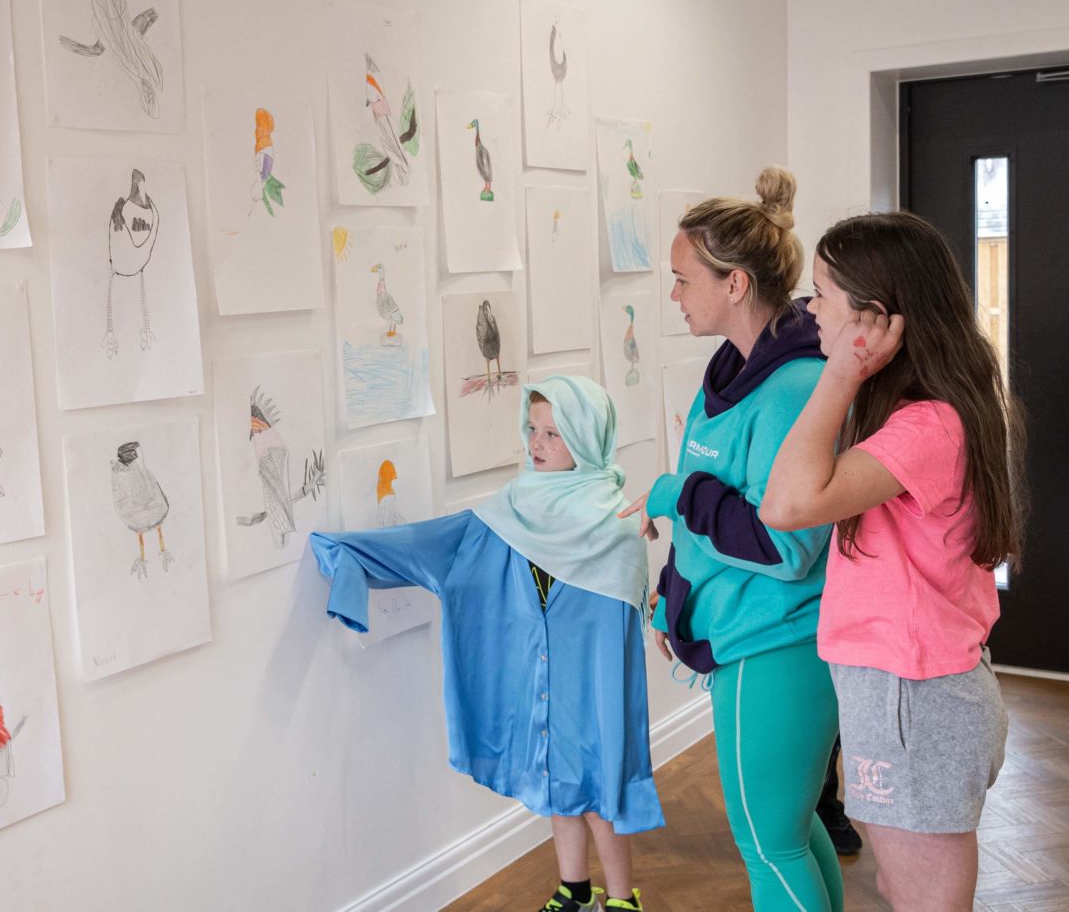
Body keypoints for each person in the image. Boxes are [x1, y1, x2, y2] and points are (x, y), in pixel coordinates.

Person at [310, 377, 660, 911]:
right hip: (540, 687)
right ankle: (573, 891)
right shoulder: (509, 513)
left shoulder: (618, 523)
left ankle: (622, 901)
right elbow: (434, 544)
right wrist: (353, 555)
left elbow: (626, 621)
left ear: (587, 440)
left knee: (600, 797)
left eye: (552, 433)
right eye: (532, 429)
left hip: (591, 691)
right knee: (555, 793)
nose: (535, 443)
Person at [760, 212, 1021, 911]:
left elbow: (785, 505)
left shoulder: (927, 426)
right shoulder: (923, 415)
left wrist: (840, 374)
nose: (808, 309)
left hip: (916, 698)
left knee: (921, 899)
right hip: (909, 694)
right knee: (900, 886)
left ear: (872, 320)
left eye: (821, 294)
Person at [621, 167, 843, 911]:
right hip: (744, 635)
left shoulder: (794, 388)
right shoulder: (730, 372)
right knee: (792, 832)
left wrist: (674, 495)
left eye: (683, 279)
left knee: (769, 846)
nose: (674, 295)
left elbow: (786, 547)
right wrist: (672, 595)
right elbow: (708, 512)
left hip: (776, 645)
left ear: (737, 284)